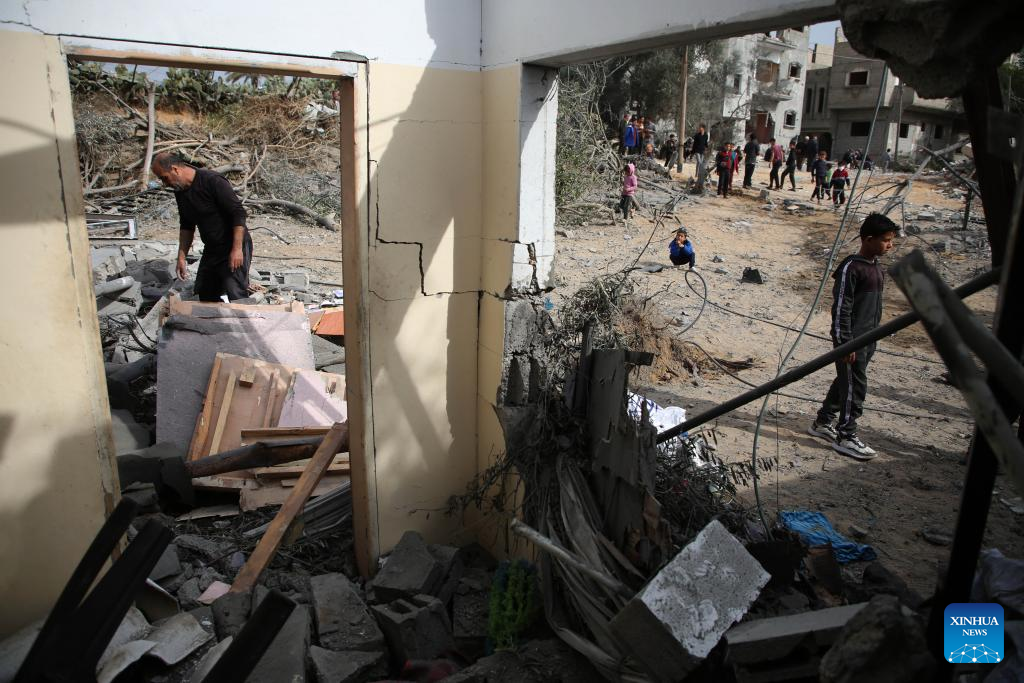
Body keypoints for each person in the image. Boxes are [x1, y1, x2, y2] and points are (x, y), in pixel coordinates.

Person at [807, 213, 898, 460]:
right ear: (868, 239)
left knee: (845, 381)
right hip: (852, 340)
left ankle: (823, 422)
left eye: (891, 240)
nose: (890, 245)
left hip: (869, 337)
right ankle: (846, 435)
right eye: (886, 240)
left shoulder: (876, 267)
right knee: (855, 386)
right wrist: (845, 343)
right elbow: (841, 308)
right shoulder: (851, 268)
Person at [151, 152, 252, 302]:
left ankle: (244, 316)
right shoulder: (180, 191)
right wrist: (181, 257)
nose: (165, 183)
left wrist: (237, 250)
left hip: (234, 245)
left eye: (164, 178)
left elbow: (238, 213)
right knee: (205, 294)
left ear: (175, 169)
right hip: (212, 248)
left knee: (235, 292)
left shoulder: (212, 181)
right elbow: (186, 225)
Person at [691, 124, 709, 190]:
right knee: (699, 162)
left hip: (702, 150)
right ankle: (697, 173)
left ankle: (699, 174)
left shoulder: (706, 135)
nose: (699, 128)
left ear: (703, 128)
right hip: (697, 150)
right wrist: (692, 152)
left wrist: (707, 148)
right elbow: (694, 144)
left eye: (700, 127)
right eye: (699, 128)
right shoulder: (697, 135)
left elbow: (705, 143)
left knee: (700, 163)